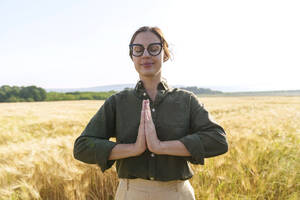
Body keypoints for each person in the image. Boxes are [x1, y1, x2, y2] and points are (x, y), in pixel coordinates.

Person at [73, 26, 228, 200]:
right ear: (132, 56)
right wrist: (134, 149)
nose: (145, 55)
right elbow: (82, 147)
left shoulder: (186, 100)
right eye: (138, 50)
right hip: (130, 193)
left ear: (165, 54)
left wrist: (160, 147)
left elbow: (218, 140)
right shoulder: (117, 102)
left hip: (177, 193)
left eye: (154, 48)